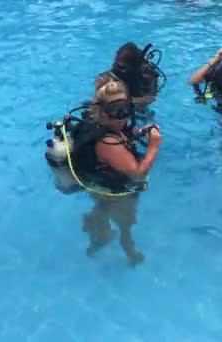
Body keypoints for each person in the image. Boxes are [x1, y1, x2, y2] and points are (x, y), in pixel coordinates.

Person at [71, 81, 162, 266]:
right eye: (116, 110)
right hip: (115, 193)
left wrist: (138, 132)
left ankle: (95, 232)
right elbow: (138, 174)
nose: (123, 117)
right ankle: (129, 250)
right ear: (103, 112)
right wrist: (154, 146)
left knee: (102, 208)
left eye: (126, 109)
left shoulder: (95, 122)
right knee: (127, 222)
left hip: (101, 186)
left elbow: (123, 132)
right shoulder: (107, 143)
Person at [94, 42, 161, 114]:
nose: (115, 68)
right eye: (116, 65)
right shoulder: (108, 77)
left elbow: (150, 99)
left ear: (135, 67)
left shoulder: (148, 74)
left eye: (121, 67)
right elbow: (101, 98)